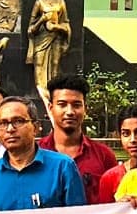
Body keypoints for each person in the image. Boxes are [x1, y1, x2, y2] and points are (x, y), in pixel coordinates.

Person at [0, 98, 84, 212]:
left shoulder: (62, 167)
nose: (10, 129)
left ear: (35, 127)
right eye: (3, 123)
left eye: (18, 121)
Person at [40, 74, 118, 202]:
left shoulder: (104, 156)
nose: (70, 112)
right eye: (62, 104)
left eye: (76, 105)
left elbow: (116, 198)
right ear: (50, 108)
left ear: (85, 108)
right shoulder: (36, 154)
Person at [96, 103, 137, 204]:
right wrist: (119, 207)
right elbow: (105, 213)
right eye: (126, 134)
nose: (133, 140)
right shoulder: (110, 178)